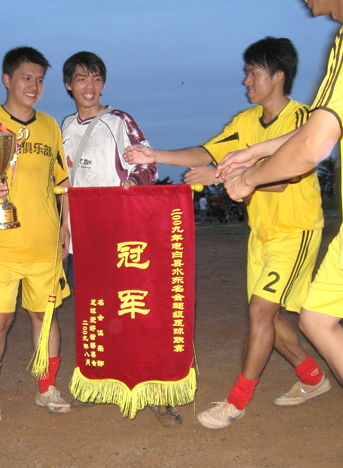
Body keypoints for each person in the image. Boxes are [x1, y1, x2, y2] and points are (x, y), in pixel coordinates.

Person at [218, 1, 343, 465]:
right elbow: (325, 124)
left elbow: (314, 143)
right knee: (316, 320)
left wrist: (250, 177)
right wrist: (254, 152)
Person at [125, 37, 329, 429]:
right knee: (269, 319)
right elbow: (207, 152)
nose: (246, 81)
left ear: (278, 75)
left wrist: (222, 176)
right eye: (246, 73)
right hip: (261, 233)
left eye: (253, 73)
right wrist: (155, 154)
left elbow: (282, 179)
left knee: (260, 313)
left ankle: (237, 402)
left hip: (296, 230)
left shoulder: (304, 121)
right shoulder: (244, 122)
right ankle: (312, 377)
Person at [61, 51, 181, 426]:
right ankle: (97, 385)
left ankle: (156, 394)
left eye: (96, 78)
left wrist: (130, 185)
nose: (90, 86)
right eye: (82, 78)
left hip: (121, 237)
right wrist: (64, 228)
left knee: (134, 315)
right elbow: (65, 184)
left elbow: (148, 165)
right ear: (68, 85)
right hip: (83, 241)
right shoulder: (64, 126)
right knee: (94, 315)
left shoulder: (119, 120)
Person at [0, 46, 71, 427]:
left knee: (44, 316)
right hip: (0, 243)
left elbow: (62, 184)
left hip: (45, 244)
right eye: (26, 78)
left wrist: (66, 227)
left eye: (39, 80)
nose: (34, 86)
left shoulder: (50, 126)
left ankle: (47, 388)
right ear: (7, 80)